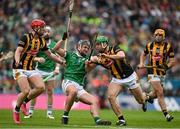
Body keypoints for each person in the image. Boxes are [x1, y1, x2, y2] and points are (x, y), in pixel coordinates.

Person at [12, 19, 66, 124]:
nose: (44, 30)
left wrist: (61, 62)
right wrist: (18, 61)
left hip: (30, 68)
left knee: (41, 87)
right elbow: (18, 51)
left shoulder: (41, 41)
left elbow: (50, 55)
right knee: (26, 90)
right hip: (19, 67)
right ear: (36, 28)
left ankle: (24, 102)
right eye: (42, 28)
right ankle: (16, 109)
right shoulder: (25, 37)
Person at [90, 36, 148, 126]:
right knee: (110, 97)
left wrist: (107, 56)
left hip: (130, 77)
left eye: (98, 44)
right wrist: (88, 61)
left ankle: (146, 98)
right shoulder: (100, 57)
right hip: (117, 79)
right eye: (96, 45)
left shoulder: (115, 48)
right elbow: (92, 59)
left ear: (104, 44)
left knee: (140, 100)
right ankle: (121, 119)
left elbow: (122, 56)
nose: (96, 47)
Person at [53, 39, 111, 125]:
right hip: (68, 82)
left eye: (88, 48)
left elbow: (97, 59)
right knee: (73, 91)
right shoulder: (70, 55)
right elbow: (56, 49)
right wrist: (63, 39)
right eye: (85, 47)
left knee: (94, 101)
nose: (86, 49)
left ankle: (97, 120)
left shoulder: (88, 59)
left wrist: (101, 59)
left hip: (79, 86)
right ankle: (65, 115)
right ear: (78, 47)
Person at [139, 28, 175, 122]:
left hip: (162, 72)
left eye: (160, 35)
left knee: (155, 94)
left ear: (163, 37)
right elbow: (143, 54)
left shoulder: (168, 46)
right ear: (154, 36)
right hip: (152, 71)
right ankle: (166, 114)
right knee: (160, 92)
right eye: (156, 35)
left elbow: (172, 60)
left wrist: (167, 66)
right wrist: (142, 63)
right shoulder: (149, 45)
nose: (158, 37)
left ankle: (145, 97)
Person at [24, 26, 60, 119]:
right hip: (38, 70)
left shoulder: (54, 45)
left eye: (48, 31)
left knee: (50, 92)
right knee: (36, 91)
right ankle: (31, 111)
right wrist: (37, 59)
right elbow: (31, 57)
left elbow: (58, 58)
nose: (47, 33)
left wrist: (57, 68)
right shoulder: (38, 43)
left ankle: (49, 113)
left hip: (51, 72)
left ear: (51, 33)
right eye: (45, 31)